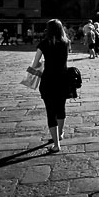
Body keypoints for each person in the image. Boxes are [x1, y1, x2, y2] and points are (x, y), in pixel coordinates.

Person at [30, 18, 70, 153]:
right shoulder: (66, 43)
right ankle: (60, 133)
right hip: (64, 79)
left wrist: (43, 63)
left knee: (50, 112)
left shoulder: (44, 44)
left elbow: (35, 64)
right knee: (61, 108)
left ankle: (56, 145)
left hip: (48, 81)